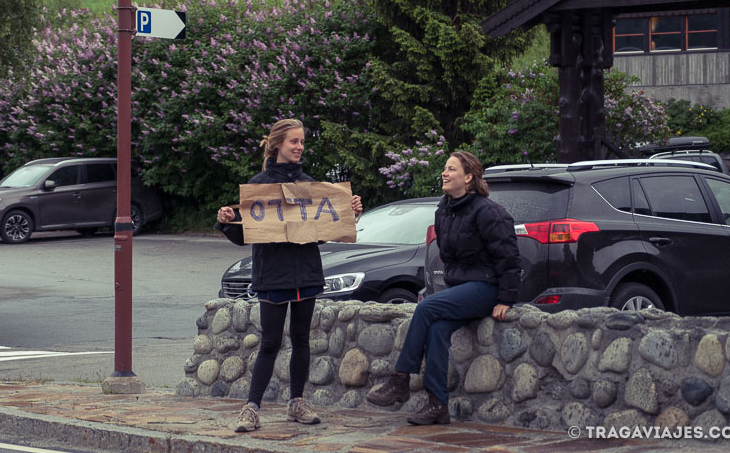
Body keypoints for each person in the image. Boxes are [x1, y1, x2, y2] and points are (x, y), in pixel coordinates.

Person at [215, 118, 363, 433]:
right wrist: (228, 221)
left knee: (301, 339)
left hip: (306, 272)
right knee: (269, 342)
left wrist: (349, 214)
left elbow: (320, 232)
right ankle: (251, 408)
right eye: (294, 141)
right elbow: (247, 235)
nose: (299, 147)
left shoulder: (311, 186)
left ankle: (296, 402)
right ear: (279, 144)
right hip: (272, 274)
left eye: (302, 142)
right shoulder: (259, 185)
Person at [366, 150, 520, 425]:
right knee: (436, 330)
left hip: (486, 287)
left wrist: (506, 298)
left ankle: (400, 380)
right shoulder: (444, 212)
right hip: (460, 289)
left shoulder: (490, 212)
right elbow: (448, 258)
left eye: (451, 169)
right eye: (444, 169)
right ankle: (437, 404)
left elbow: (508, 258)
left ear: (469, 177)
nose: (444, 174)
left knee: (425, 307)